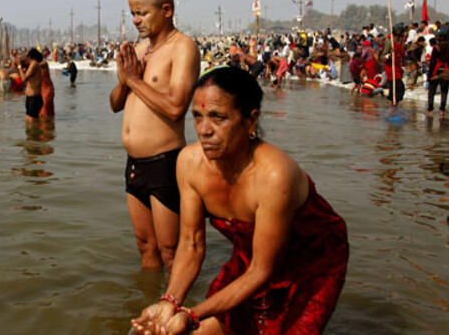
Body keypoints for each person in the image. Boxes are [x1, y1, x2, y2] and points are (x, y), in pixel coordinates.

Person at [131, 66, 349, 335]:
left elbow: (261, 270)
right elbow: (192, 244)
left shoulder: (275, 174)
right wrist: (170, 303)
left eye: (217, 117)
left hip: (313, 260)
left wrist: (192, 314)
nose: (204, 130)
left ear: (250, 121)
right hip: (253, 256)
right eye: (197, 117)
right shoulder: (189, 163)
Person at [109, 0, 200, 271]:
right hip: (134, 163)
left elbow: (176, 108)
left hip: (165, 163)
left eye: (142, 13)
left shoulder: (183, 47)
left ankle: (179, 312)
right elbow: (114, 103)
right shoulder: (137, 50)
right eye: (133, 14)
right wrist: (125, 79)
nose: (136, 20)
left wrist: (134, 80)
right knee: (145, 248)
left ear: (167, 10)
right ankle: (147, 308)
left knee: (171, 252)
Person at [427, 30, 449, 117]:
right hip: (446, 71)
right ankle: (442, 110)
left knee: (432, 91)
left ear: (440, 37)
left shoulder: (436, 47)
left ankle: (430, 109)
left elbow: (433, 62)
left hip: (436, 71)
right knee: (444, 91)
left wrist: (429, 75)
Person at [18, 48, 44, 121]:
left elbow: (24, 79)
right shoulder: (32, 65)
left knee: (32, 122)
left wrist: (19, 67)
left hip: (34, 98)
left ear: (30, 57)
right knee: (29, 121)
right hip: (30, 98)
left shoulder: (34, 64)